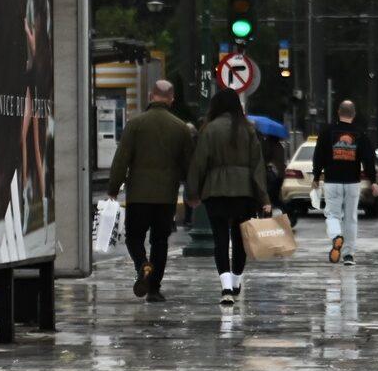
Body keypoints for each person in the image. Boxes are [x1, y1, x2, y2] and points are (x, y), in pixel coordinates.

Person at [107, 80, 194, 303]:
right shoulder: (181, 128)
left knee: (134, 237)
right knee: (160, 241)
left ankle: (142, 265)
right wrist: (193, 192)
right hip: (166, 197)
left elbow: (121, 160)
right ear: (172, 99)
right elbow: (188, 166)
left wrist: (113, 189)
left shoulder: (135, 124)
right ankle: (154, 289)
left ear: (150, 96)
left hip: (138, 195)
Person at [186, 89, 271, 305]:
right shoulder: (249, 130)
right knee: (240, 240)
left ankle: (225, 288)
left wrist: (192, 192)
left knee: (220, 239)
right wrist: (264, 199)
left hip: (216, 191)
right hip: (245, 192)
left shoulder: (210, 129)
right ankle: (236, 282)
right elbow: (257, 167)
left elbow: (199, 163)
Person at [313, 100, 378, 265]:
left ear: (338, 112)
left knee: (333, 214)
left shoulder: (327, 131)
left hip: (332, 181)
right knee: (351, 218)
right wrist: (373, 180)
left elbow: (318, 155)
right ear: (354, 114)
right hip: (352, 182)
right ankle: (348, 255)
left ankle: (336, 237)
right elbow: (369, 159)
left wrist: (315, 176)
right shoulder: (360, 134)